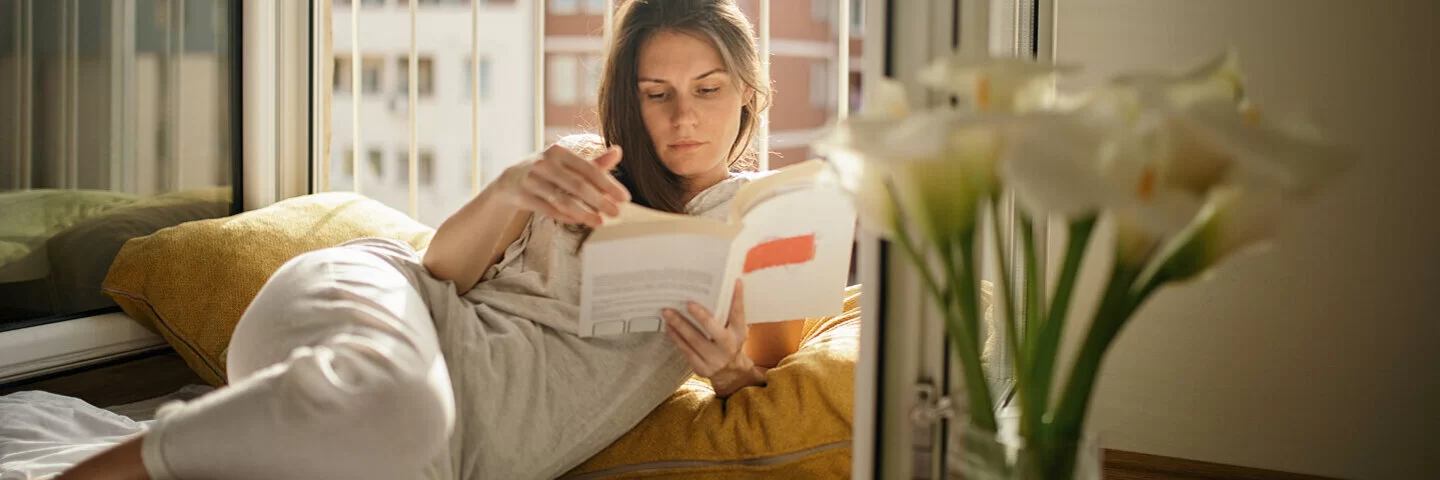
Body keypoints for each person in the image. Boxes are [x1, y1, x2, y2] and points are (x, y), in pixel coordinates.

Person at [58, 1, 798, 479]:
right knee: (399, 405)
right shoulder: (580, 162)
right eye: (655, 93)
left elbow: (770, 361)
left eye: (708, 88)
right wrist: (512, 187)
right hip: (376, 305)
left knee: (400, 427)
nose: (683, 117)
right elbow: (440, 268)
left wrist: (730, 372)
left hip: (413, 442)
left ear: (748, 93)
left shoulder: (751, 218)